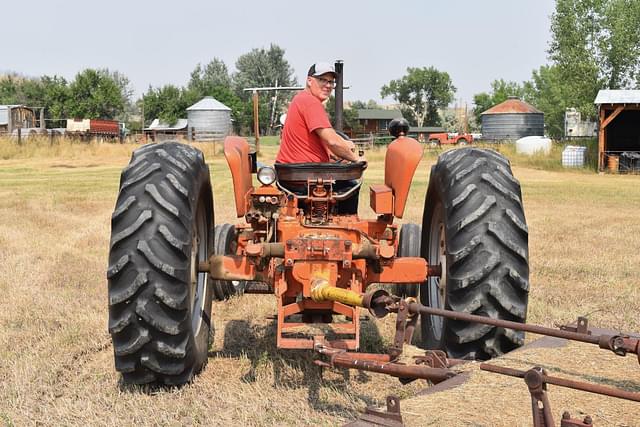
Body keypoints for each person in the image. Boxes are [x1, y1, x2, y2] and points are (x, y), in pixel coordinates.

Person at [276, 62, 358, 164]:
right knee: (350, 180)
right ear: (309, 81)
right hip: (306, 174)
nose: (328, 85)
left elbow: (316, 146)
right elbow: (333, 142)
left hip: (294, 171)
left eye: (331, 82)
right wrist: (356, 159)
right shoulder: (311, 102)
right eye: (322, 80)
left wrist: (342, 149)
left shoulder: (300, 99)